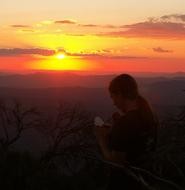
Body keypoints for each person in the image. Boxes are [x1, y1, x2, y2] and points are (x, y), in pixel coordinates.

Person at [94, 74, 158, 189]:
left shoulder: (125, 123)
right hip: (145, 180)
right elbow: (138, 145)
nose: (114, 103)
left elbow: (116, 163)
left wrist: (101, 139)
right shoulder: (151, 117)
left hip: (125, 183)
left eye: (113, 97)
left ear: (119, 94)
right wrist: (115, 130)